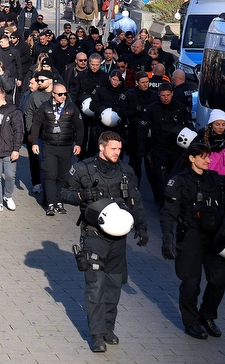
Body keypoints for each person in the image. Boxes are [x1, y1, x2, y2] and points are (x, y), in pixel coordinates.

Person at [60, 131, 149, 353]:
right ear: (102, 147)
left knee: (113, 287)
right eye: (113, 149)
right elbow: (62, 193)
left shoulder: (127, 171)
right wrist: (81, 196)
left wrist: (142, 226)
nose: (118, 153)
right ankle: (97, 335)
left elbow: (135, 201)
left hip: (119, 240)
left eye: (120, 149)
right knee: (96, 287)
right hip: (94, 237)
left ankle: (108, 328)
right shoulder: (83, 168)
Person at [160, 143, 225, 340]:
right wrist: (167, 239)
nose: (208, 160)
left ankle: (207, 316)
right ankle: (191, 322)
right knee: (191, 282)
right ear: (192, 158)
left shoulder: (216, 180)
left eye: (209, 157)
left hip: (215, 237)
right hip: (190, 235)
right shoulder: (179, 181)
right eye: (203, 157)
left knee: (219, 278)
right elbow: (168, 213)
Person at [30, 84, 83, 216]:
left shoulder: (71, 107)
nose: (63, 96)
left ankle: (59, 201)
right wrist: (35, 143)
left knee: (62, 176)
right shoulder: (45, 107)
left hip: (66, 147)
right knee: (50, 175)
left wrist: (79, 144)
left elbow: (80, 127)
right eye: (60, 94)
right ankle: (51, 203)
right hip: (49, 146)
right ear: (53, 94)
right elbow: (36, 124)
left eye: (65, 94)